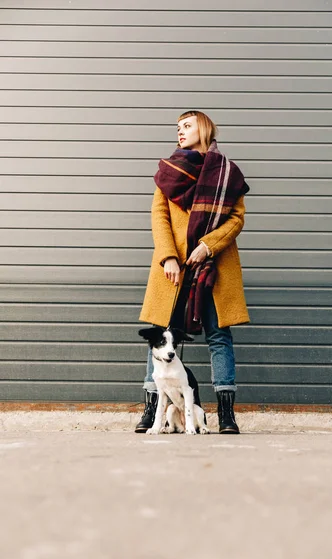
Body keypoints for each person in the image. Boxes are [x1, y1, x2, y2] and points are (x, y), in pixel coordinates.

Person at [136, 110, 250, 434]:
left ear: (204, 129)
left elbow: (236, 219)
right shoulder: (168, 171)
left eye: (187, 125)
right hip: (171, 268)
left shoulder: (228, 174)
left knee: (218, 336)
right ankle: (150, 409)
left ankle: (226, 414)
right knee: (160, 331)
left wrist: (208, 245)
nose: (180, 132)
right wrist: (168, 256)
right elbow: (159, 217)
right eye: (178, 127)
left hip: (213, 266)